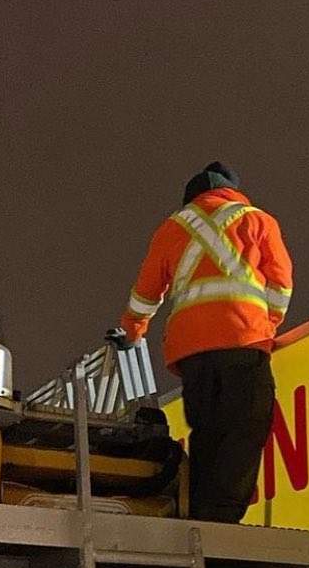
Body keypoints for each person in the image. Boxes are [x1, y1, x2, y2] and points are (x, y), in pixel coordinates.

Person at [114, 161, 293, 523]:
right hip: (244, 343)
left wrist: (133, 331)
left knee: (207, 432)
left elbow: (145, 295)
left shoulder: (171, 228)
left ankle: (199, 511)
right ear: (231, 191)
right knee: (246, 424)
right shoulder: (258, 220)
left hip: (192, 353)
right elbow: (281, 284)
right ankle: (221, 516)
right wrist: (265, 324)